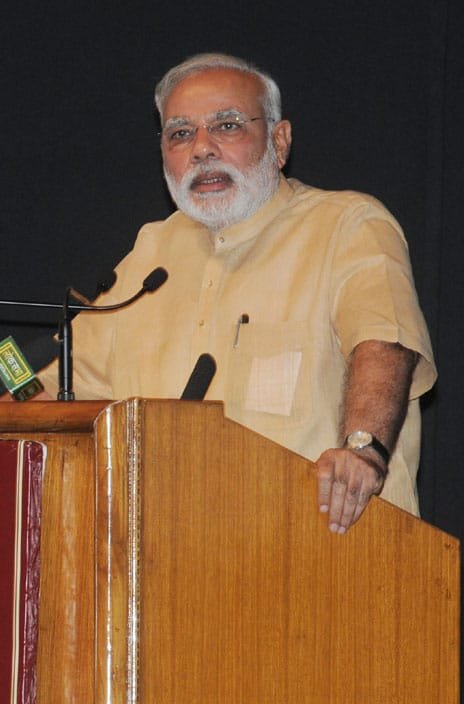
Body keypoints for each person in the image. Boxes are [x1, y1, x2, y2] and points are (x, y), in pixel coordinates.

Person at [33, 52, 436, 535]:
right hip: (172, 556)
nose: (201, 149)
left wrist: (362, 447)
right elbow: (61, 390)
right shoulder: (151, 253)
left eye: (225, 126)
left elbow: (382, 341)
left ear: (279, 140)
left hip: (326, 552)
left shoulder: (346, 225)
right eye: (180, 133)